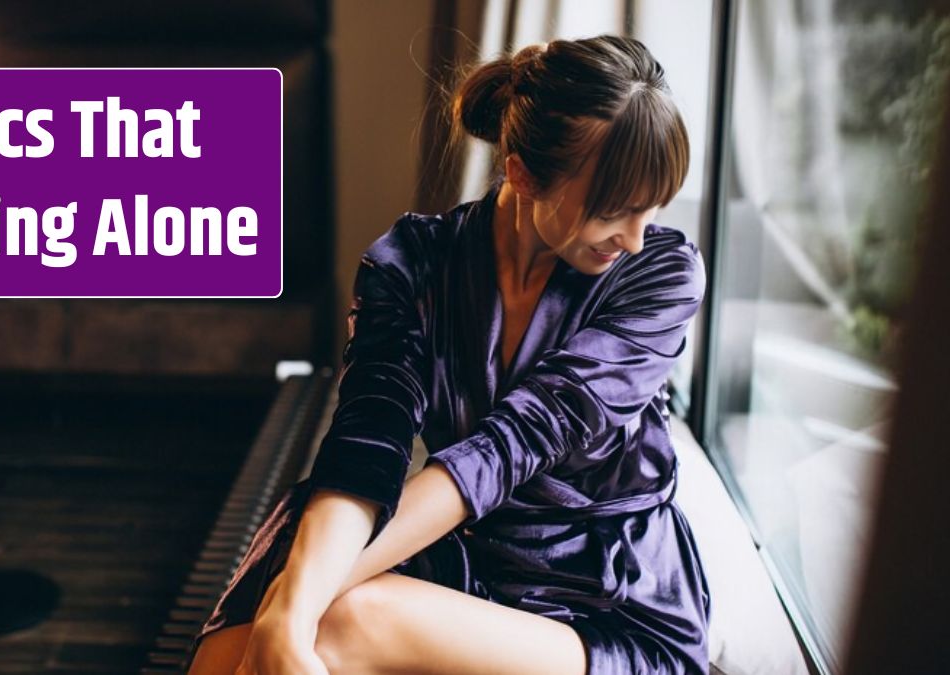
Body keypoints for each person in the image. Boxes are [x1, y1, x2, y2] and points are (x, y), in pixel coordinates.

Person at [188, 34, 710, 675]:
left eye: (651, 209)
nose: (633, 238)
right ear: (520, 173)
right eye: (614, 213)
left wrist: (294, 605)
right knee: (231, 653)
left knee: (341, 620)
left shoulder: (660, 273)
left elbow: (508, 448)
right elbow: (366, 443)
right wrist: (287, 610)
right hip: (463, 557)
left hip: (602, 600)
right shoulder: (412, 262)